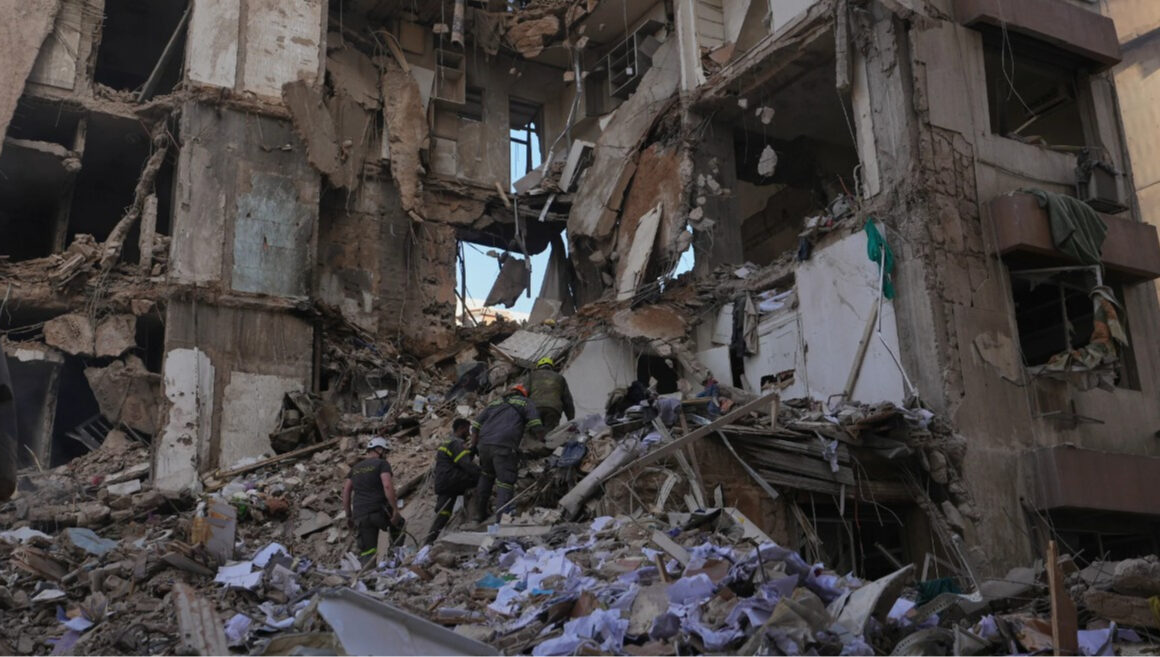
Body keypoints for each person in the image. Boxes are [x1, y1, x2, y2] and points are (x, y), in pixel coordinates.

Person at [470, 384, 545, 522]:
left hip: (484, 446)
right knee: (505, 482)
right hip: (504, 446)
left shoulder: (495, 403)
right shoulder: (525, 402)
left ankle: (478, 515)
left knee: (486, 477)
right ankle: (501, 521)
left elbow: (475, 425)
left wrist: (473, 446)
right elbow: (536, 423)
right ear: (522, 394)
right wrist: (544, 440)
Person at [342, 436, 405, 564]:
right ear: (379, 449)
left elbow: (346, 492)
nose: (386, 455)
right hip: (379, 511)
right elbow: (387, 486)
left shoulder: (355, 469)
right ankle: (395, 560)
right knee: (399, 525)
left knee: (368, 551)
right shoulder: (382, 464)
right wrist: (395, 510)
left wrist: (349, 516)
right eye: (385, 452)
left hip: (361, 516)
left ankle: (369, 574)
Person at [423, 418, 480, 545]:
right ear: (461, 428)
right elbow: (466, 464)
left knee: (443, 514)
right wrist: (481, 473)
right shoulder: (456, 443)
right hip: (453, 480)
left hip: (444, 483)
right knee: (481, 480)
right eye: (467, 430)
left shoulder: (448, 442)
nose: (468, 434)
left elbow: (459, 459)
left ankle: (428, 544)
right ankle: (478, 516)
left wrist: (472, 450)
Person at [524, 357, 575, 432]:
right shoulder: (560, 378)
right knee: (549, 434)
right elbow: (567, 400)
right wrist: (571, 420)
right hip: (553, 410)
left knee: (531, 433)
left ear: (539, 366)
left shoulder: (531, 376)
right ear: (551, 367)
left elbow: (523, 393)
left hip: (534, 408)